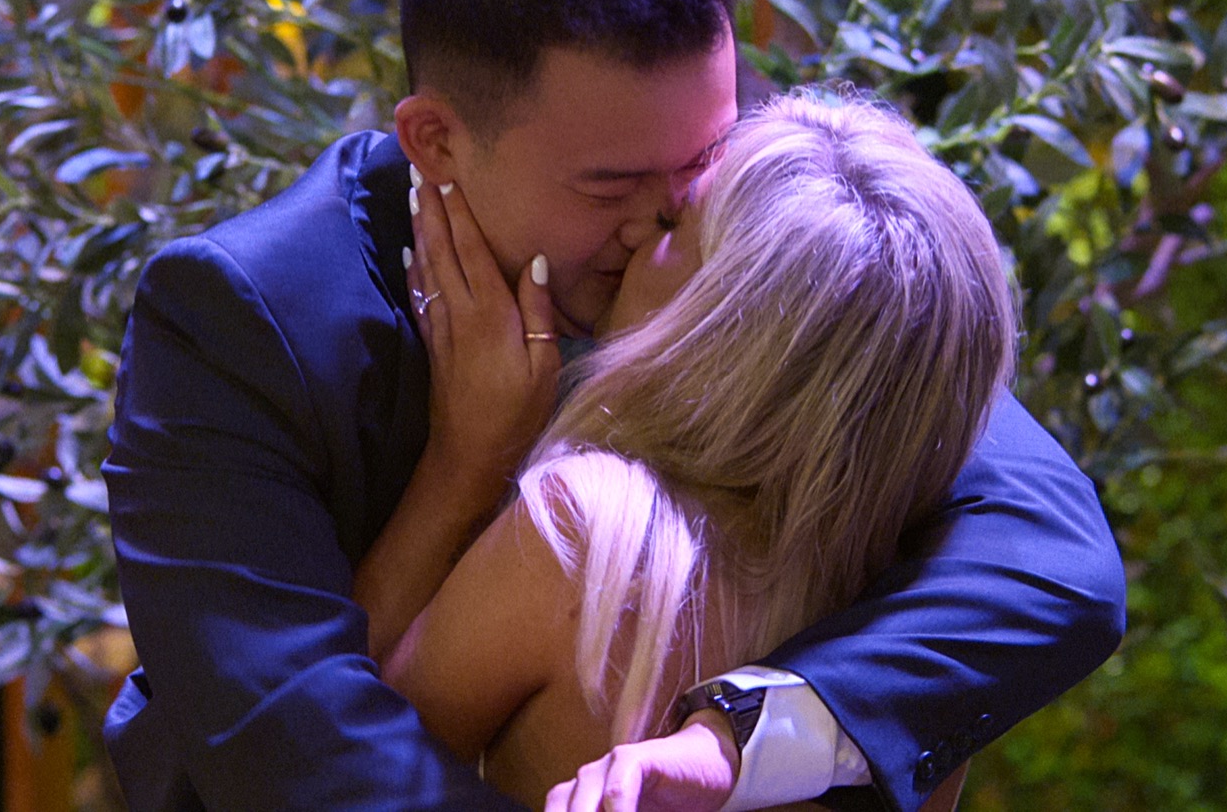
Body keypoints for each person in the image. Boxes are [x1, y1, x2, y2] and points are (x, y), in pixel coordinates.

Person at [101, 0, 1125, 811]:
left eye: (703, 157)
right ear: (436, 141)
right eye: (612, 186)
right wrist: (463, 470)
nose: (667, 215)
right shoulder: (242, 321)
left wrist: (739, 738)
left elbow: (1051, 559)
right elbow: (301, 757)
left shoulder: (742, 238)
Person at [370, 91, 1020, 811]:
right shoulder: (916, 652)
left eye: (674, 223)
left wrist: (461, 461)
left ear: (723, 326)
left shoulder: (594, 537)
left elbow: (337, 760)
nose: (636, 233)